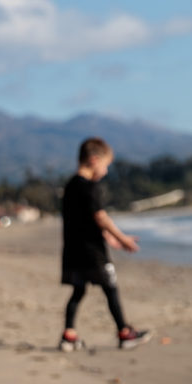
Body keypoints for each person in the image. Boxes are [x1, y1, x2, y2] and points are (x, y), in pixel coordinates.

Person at [59, 137, 152, 351]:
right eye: (106, 165)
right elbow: (100, 217)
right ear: (94, 160)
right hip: (92, 251)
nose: (106, 171)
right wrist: (122, 238)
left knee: (78, 291)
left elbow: (83, 220)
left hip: (73, 249)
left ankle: (68, 335)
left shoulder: (71, 185)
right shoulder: (90, 187)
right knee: (111, 288)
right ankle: (124, 332)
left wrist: (109, 238)